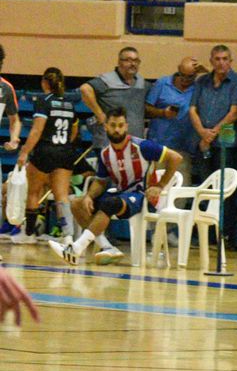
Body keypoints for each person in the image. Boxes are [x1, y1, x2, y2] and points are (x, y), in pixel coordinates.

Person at [48, 107, 183, 266]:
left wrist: (160, 186)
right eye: (113, 125)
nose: (117, 129)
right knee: (78, 204)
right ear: (106, 127)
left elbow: (176, 158)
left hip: (143, 197)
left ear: (126, 126)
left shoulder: (142, 146)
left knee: (109, 203)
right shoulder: (105, 154)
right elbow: (100, 181)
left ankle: (75, 249)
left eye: (120, 125)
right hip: (120, 196)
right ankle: (108, 248)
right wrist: (89, 197)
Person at [189, 44, 237, 247]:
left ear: (230, 61)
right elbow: (192, 109)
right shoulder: (202, 82)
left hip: (226, 143)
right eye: (217, 59)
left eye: (225, 59)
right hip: (203, 141)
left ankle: (225, 235)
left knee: (225, 191)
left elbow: (235, 112)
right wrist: (202, 133)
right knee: (204, 188)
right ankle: (204, 234)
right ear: (211, 61)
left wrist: (212, 132)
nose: (221, 62)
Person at [16, 68, 84, 245]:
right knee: (61, 195)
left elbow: (37, 129)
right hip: (65, 152)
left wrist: (24, 152)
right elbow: (75, 129)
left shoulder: (43, 102)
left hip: (46, 151)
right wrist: (65, 143)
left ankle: (29, 234)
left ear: (44, 82)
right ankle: (68, 237)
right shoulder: (69, 104)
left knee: (34, 192)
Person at [80, 46, 152, 150]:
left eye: (136, 61)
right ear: (119, 62)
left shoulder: (142, 83)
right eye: (128, 60)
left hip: (134, 144)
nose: (133, 64)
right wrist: (99, 114)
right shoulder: (107, 80)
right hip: (108, 144)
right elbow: (85, 89)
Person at [145, 55, 202, 181]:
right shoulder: (162, 83)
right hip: (159, 145)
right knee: (156, 187)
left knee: (180, 187)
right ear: (177, 70)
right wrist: (162, 112)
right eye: (182, 75)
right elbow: (146, 109)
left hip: (183, 147)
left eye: (190, 76)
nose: (185, 79)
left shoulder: (198, 88)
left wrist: (206, 68)